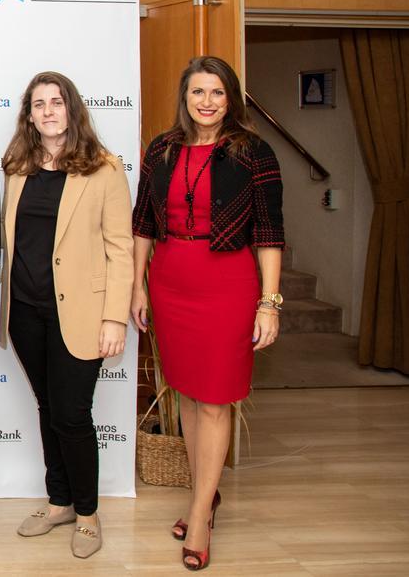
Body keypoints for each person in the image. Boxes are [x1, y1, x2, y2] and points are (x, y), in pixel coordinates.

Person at [130, 55, 284, 571]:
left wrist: (270, 301)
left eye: (217, 93)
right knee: (190, 399)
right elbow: (143, 224)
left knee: (216, 399)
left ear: (230, 97)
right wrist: (139, 288)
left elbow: (268, 233)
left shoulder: (253, 152)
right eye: (198, 92)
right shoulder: (162, 148)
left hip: (228, 282)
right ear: (185, 97)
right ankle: (206, 494)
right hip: (170, 280)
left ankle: (199, 516)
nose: (207, 102)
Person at [0, 71, 133, 559]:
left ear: (72, 110)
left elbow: (122, 250)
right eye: (39, 104)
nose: (49, 111)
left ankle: (89, 512)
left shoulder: (103, 168)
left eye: (57, 102)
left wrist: (114, 318)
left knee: (73, 415)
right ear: (29, 115)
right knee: (48, 409)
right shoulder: (17, 167)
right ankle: (59, 502)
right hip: (26, 312)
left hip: (83, 314)